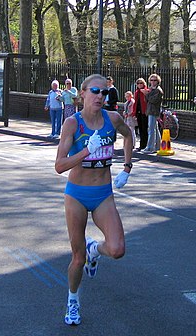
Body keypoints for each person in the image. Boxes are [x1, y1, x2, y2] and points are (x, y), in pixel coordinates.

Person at [55, 74, 133, 326]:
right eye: (96, 91)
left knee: (117, 249)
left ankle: (94, 250)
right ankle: (73, 300)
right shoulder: (72, 124)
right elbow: (59, 165)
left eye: (105, 92)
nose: (101, 96)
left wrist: (127, 168)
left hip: (103, 195)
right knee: (77, 259)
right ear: (84, 94)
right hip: (77, 194)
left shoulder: (113, 119)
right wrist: (89, 149)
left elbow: (128, 135)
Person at [141, 73, 163, 154]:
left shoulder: (158, 90)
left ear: (158, 81)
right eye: (151, 80)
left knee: (151, 129)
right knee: (155, 128)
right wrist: (146, 94)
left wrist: (146, 94)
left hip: (154, 111)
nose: (153, 82)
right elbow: (146, 101)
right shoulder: (151, 89)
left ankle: (150, 147)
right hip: (150, 110)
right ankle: (158, 146)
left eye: (155, 80)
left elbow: (153, 100)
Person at [132, 78, 148, 151]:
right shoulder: (137, 92)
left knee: (145, 129)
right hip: (139, 112)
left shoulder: (146, 91)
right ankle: (142, 145)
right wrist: (134, 113)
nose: (139, 85)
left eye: (141, 83)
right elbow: (136, 103)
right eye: (138, 83)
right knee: (140, 129)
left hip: (145, 112)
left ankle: (145, 144)